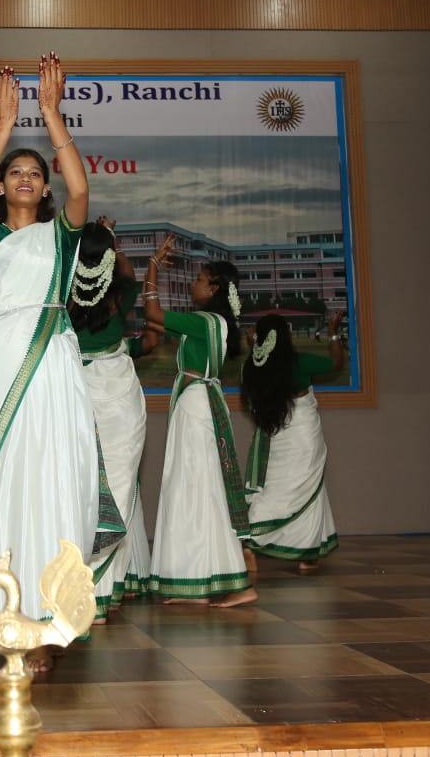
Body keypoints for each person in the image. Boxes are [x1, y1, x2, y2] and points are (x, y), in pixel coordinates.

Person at [0, 54, 105, 673]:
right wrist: (2, 126)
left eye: (34, 173)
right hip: (1, 363)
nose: (24, 178)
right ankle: (4, 616)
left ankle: (48, 621)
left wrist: (50, 114)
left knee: (53, 476)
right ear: (2, 186)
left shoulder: (62, 234)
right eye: (14, 172)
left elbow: (83, 191)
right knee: (4, 479)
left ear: (45, 190)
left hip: (53, 362)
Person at [142, 235, 256, 607]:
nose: (194, 284)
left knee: (197, 488)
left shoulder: (204, 321)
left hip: (196, 406)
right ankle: (197, 580)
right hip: (198, 403)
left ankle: (236, 582)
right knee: (194, 489)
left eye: (200, 279)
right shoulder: (214, 323)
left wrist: (153, 265)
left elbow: (153, 313)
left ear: (214, 288)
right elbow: (155, 325)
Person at [69, 217, 158, 622]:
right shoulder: (120, 293)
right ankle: (104, 592)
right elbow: (125, 270)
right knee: (119, 489)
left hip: (74, 392)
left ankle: (74, 588)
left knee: (79, 488)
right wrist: (111, 241)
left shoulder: (61, 295)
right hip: (119, 397)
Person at [239, 310, 345, 572]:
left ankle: (307, 551)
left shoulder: (252, 368)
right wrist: (333, 332)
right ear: (284, 336)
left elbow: (258, 374)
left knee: (280, 487)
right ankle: (252, 537)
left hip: (274, 436)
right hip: (303, 435)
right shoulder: (298, 362)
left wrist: (252, 347)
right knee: (305, 487)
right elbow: (336, 363)